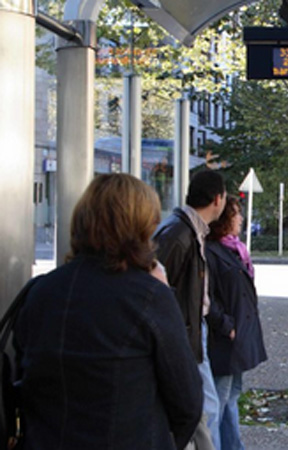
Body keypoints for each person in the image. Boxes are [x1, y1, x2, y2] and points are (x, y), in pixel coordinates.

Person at [13, 173, 202, 449]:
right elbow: (187, 401)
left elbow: (25, 373)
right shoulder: (149, 298)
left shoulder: (41, 291)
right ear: (139, 227)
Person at [154, 170, 227, 449]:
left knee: (205, 410)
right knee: (205, 410)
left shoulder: (188, 230)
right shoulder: (179, 233)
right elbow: (157, 290)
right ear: (217, 199)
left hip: (192, 331)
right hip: (185, 335)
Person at [206, 195, 268, 450]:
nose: (241, 219)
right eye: (235, 214)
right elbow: (207, 297)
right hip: (226, 337)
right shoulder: (212, 251)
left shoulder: (234, 249)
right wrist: (226, 326)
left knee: (231, 396)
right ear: (223, 220)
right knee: (219, 401)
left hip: (239, 335)